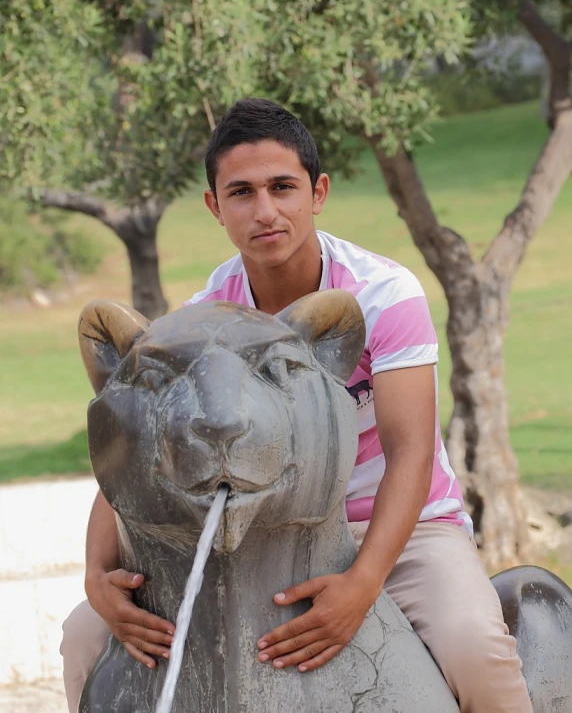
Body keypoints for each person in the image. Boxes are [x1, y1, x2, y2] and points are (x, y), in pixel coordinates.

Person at [60, 98, 532, 713]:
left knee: (475, 647)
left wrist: (363, 583)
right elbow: (139, 448)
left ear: (318, 191)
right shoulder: (209, 313)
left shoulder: (384, 293)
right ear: (214, 206)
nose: (265, 211)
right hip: (271, 528)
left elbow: (411, 453)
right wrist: (99, 576)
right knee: (82, 637)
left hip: (399, 525)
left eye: (283, 187)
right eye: (242, 193)